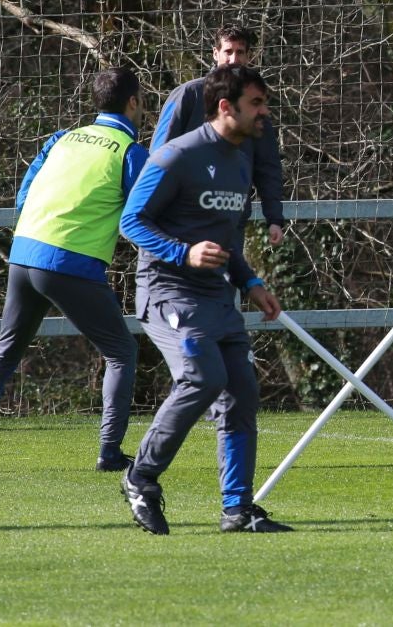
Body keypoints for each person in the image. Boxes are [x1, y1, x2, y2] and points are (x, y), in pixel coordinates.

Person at [0, 68, 147, 474]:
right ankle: (109, 452)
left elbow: (24, 196)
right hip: (69, 260)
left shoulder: (62, 139)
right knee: (122, 352)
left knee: (4, 353)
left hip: (25, 253)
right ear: (133, 103)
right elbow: (143, 215)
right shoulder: (128, 151)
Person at [119, 65, 289, 534]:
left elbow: (226, 239)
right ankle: (141, 477)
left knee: (242, 393)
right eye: (256, 103)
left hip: (217, 297)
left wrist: (250, 282)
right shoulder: (177, 156)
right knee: (203, 377)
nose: (265, 112)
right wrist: (183, 252)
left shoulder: (240, 161)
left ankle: (237, 509)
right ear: (225, 107)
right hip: (166, 291)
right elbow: (131, 222)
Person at [152, 25, 286, 246]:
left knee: (224, 279)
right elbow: (159, 155)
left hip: (230, 220)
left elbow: (267, 166)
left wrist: (274, 218)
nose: (234, 59)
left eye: (240, 52)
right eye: (228, 51)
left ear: (249, 57)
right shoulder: (188, 95)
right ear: (215, 54)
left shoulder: (254, 106)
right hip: (184, 218)